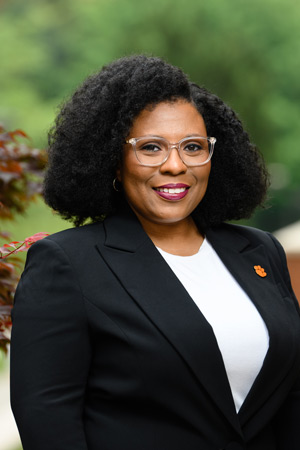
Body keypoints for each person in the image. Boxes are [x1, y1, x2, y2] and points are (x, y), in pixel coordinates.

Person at [10, 55, 300, 450]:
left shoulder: (259, 250)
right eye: (151, 147)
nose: (176, 166)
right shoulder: (67, 264)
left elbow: (289, 400)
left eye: (193, 147)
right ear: (113, 160)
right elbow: (47, 418)